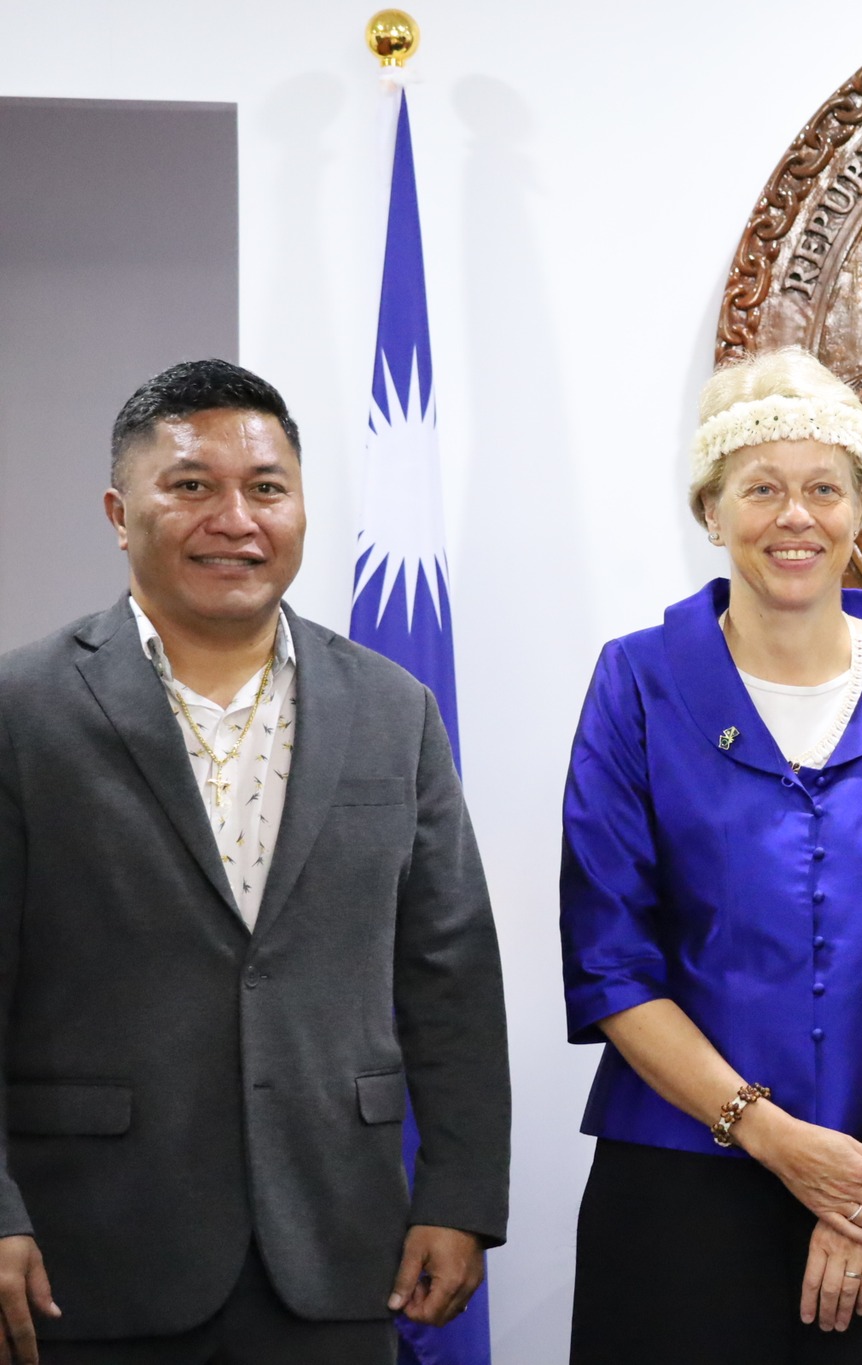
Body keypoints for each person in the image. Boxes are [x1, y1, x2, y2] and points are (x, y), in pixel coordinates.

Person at [0, 359, 511, 1364]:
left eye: (265, 488)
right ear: (120, 510)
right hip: (86, 1257)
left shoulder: (392, 709)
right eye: (191, 486)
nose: (235, 518)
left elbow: (449, 971)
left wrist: (458, 1194)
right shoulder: (23, 712)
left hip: (336, 1245)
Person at [559, 347, 862, 1363]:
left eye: (823, 488)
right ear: (710, 511)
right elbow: (608, 957)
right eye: (759, 488)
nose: (793, 517)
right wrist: (775, 1140)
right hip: (683, 1182)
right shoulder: (636, 684)